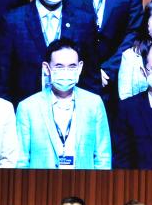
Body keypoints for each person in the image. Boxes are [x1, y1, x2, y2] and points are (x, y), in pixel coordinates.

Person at [0, 0, 99, 106]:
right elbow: (2, 79)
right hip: (26, 111)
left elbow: (91, 77)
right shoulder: (13, 21)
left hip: (73, 110)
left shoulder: (84, 20)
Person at [14, 38, 112, 169]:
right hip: (41, 186)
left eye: (72, 66)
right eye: (59, 66)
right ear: (46, 68)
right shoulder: (27, 107)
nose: (66, 72)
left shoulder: (94, 104)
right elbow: (21, 161)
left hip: (84, 186)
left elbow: (103, 158)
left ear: (80, 67)